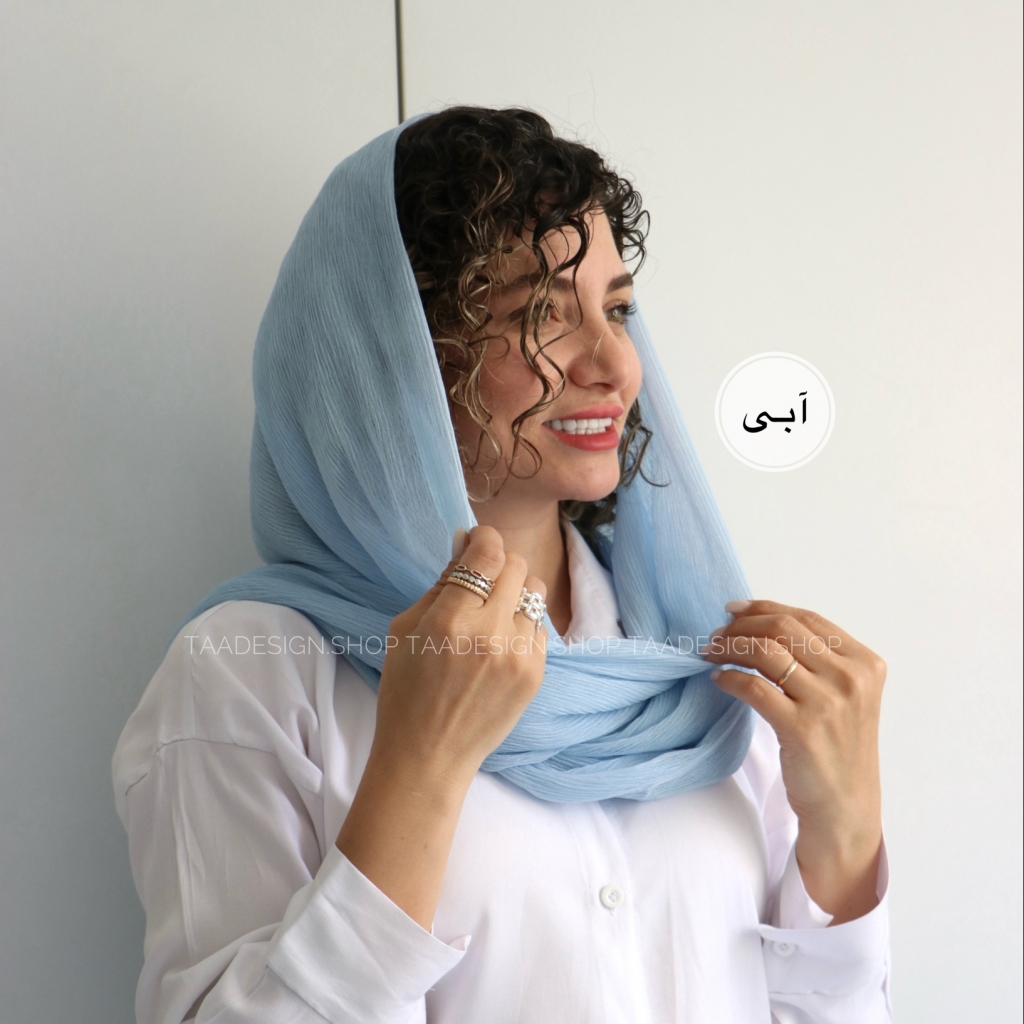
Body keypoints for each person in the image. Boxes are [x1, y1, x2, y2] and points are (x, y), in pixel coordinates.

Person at [113, 107, 891, 1023]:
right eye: (541, 315)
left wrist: (847, 834)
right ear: (397, 357)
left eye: (618, 310)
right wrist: (421, 766)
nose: (615, 365)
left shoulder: (716, 681)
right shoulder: (251, 673)